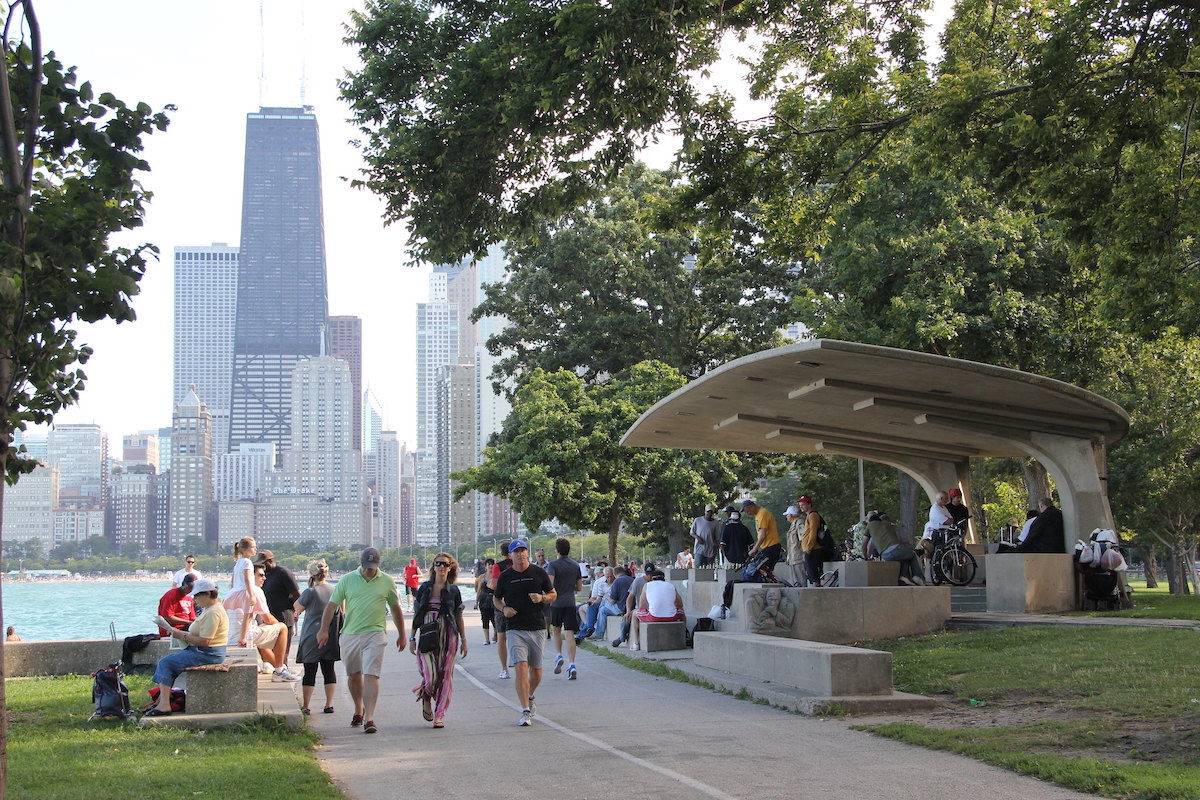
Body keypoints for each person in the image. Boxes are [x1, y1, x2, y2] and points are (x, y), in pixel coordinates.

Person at [316, 547, 406, 735]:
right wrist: (323, 630)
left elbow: (395, 608)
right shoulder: (347, 580)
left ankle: (370, 718)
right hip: (350, 634)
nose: (368, 570)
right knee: (354, 675)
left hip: (376, 632)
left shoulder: (387, 581)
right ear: (361, 563)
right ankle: (359, 709)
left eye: (372, 567)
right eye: (366, 566)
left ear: (378, 565)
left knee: (371, 674)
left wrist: (402, 634)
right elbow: (332, 606)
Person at [145, 578, 228, 717]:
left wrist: (182, 636)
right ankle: (163, 701)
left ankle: (164, 705)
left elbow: (206, 641)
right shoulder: (210, 609)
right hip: (204, 651)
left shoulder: (213, 612)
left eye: (197, 595)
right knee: (169, 662)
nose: (194, 599)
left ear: (207, 594)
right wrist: (180, 634)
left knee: (166, 663)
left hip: (208, 653)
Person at [493, 538, 555, 726]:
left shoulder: (538, 573)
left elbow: (553, 594)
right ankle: (525, 711)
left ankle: (530, 695)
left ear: (527, 553)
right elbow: (496, 599)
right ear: (510, 556)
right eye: (516, 551)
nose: (520, 554)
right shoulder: (506, 576)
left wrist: (542, 598)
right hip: (515, 628)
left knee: (536, 673)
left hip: (537, 627)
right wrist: (504, 609)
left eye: (523, 551)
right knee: (520, 667)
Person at [409, 552, 468, 728]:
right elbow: (418, 614)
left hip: (449, 634)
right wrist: (412, 636)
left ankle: (440, 714)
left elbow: (458, 616)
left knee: (446, 675)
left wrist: (464, 639)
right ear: (433, 567)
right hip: (428, 632)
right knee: (430, 675)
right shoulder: (424, 588)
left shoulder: (454, 591)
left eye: (445, 564)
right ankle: (426, 695)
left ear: (450, 568)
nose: (442, 567)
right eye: (438, 564)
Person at [293, 559, 340, 716]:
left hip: (312, 636)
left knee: (310, 671)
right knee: (329, 670)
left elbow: (297, 608)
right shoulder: (336, 590)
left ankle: (306, 705)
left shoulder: (310, 592)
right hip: (331, 635)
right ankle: (329, 704)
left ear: (312, 574)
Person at [246, 565, 300, 682]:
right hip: (246, 635)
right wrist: (277, 627)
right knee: (282, 628)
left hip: (233, 635)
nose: (264, 578)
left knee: (261, 641)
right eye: (260, 575)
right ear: (251, 576)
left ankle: (280, 668)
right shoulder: (256, 590)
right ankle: (280, 670)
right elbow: (268, 619)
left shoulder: (235, 590)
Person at [545, 537, 582, 680]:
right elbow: (579, 587)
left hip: (556, 603)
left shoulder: (553, 565)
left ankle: (559, 655)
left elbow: (550, 584)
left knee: (556, 630)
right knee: (569, 634)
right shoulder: (575, 565)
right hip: (570, 602)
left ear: (557, 550)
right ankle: (572, 664)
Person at [863, 510, 924, 585]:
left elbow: (865, 543)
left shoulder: (871, 528)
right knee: (912, 554)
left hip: (885, 555)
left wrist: (865, 557)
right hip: (896, 549)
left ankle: (904, 577)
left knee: (904, 557)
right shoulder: (887, 526)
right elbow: (900, 541)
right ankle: (917, 576)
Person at [628, 570, 684, 651]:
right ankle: (684, 636)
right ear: (664, 578)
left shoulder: (647, 585)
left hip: (654, 616)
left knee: (634, 613)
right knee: (682, 612)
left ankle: (636, 643)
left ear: (651, 578)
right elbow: (680, 604)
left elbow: (641, 606)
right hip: (672, 616)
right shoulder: (671, 585)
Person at [256, 549, 301, 643]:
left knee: (282, 654)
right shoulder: (263, 575)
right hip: (267, 619)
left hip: (284, 617)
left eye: (264, 563)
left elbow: (296, 594)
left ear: (270, 561)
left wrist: (296, 612)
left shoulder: (283, 573)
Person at [613, 561, 653, 649]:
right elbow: (630, 597)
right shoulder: (638, 581)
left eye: (651, 575)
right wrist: (628, 611)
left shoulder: (656, 581)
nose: (650, 577)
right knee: (626, 619)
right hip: (640, 608)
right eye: (648, 575)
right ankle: (622, 638)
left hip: (652, 608)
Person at [488, 542, 514, 678]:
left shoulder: (498, 566)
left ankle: (504, 669)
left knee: (501, 636)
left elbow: (494, 585)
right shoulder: (519, 565)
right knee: (517, 635)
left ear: (502, 553)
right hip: (516, 603)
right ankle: (515, 660)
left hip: (501, 605)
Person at [575, 566, 614, 642]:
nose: (609, 579)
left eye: (611, 576)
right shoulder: (601, 583)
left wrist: (606, 597)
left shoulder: (616, 583)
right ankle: (589, 628)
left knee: (584, 612)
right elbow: (597, 598)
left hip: (609, 604)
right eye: (607, 577)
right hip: (601, 602)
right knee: (590, 607)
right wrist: (592, 602)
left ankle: (581, 635)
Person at [594, 565, 632, 642]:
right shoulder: (632, 580)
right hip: (630, 608)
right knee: (603, 608)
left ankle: (598, 633)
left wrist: (606, 596)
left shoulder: (617, 581)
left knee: (603, 607)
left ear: (614, 574)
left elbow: (613, 601)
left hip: (620, 608)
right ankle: (597, 631)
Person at [222, 536, 257, 619]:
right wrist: (251, 595)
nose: (255, 549)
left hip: (235, 592)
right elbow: (247, 578)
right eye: (253, 547)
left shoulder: (238, 562)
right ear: (245, 549)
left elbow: (233, 580)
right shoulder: (247, 562)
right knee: (247, 616)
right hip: (244, 592)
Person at [743, 498, 782, 573]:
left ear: (752, 506)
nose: (748, 513)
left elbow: (762, 535)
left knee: (762, 570)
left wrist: (754, 549)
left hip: (771, 546)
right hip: (766, 547)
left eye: (748, 511)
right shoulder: (758, 515)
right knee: (762, 570)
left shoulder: (762, 514)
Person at [156, 572, 197, 637]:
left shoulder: (189, 598)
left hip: (186, 627)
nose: (191, 589)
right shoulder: (171, 595)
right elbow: (167, 617)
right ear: (184, 584)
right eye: (190, 587)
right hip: (172, 629)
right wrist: (187, 622)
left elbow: (192, 617)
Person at [797, 495, 826, 587]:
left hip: (813, 548)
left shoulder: (813, 515)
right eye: (800, 504)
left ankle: (816, 588)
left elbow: (813, 532)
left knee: (813, 571)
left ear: (809, 504)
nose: (801, 506)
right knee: (810, 571)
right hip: (809, 548)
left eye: (803, 504)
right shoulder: (809, 516)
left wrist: (809, 547)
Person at [920, 492, 955, 564]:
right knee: (936, 552)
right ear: (941, 499)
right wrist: (948, 520)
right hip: (936, 534)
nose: (947, 500)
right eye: (946, 499)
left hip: (945, 533)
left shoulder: (944, 508)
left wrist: (949, 520)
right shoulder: (935, 508)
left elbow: (951, 519)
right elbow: (946, 521)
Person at [478, 557, 498, 645]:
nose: (490, 566)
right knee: (485, 619)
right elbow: (479, 590)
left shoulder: (497, 576)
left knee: (495, 619)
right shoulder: (482, 577)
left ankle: (495, 635)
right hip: (484, 600)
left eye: (492, 564)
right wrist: (476, 601)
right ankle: (487, 639)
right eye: (488, 564)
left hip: (494, 600)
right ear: (485, 566)